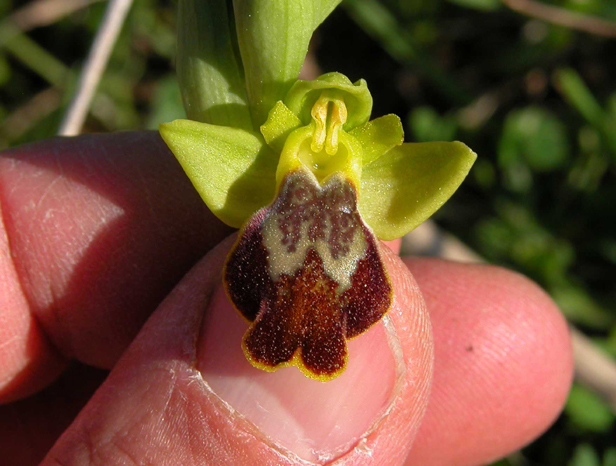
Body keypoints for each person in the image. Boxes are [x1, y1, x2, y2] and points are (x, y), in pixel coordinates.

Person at [0, 132, 573, 466]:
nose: (325, 145)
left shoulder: (356, 183)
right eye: (314, 136)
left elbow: (443, 166)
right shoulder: (256, 169)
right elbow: (201, 148)